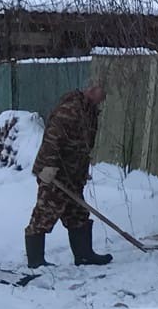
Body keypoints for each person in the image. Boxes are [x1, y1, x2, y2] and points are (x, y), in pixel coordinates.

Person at [26, 82, 112, 267]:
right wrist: (48, 167)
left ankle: (84, 255)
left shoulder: (90, 111)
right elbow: (52, 138)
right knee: (44, 213)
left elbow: (83, 144)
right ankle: (36, 261)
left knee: (78, 213)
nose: (103, 99)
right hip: (54, 173)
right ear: (91, 90)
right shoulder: (70, 110)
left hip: (73, 174)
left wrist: (82, 169)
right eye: (101, 94)